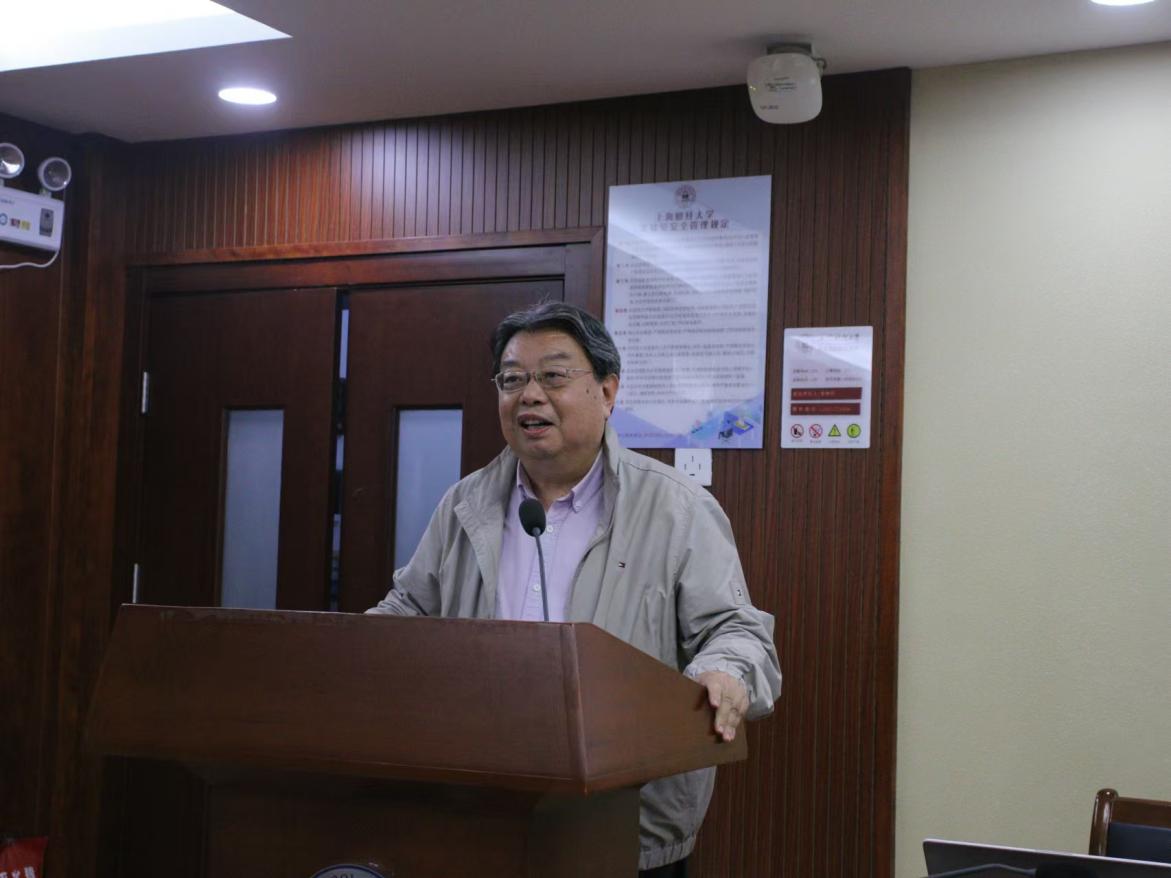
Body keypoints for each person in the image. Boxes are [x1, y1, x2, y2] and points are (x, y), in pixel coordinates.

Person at [368, 302, 782, 876]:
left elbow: (736, 631)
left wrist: (725, 671)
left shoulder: (676, 508)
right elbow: (408, 610)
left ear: (607, 393)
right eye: (512, 379)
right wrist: (351, 655)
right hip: (476, 813)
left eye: (554, 376)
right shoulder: (465, 504)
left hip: (622, 825)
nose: (530, 396)